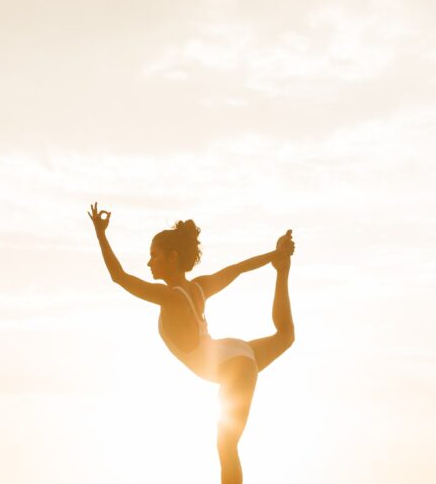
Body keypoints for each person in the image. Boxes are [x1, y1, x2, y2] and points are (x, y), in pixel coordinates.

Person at [89, 201, 296, 484]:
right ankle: (283, 271)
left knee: (226, 446)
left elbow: (119, 277)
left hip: (232, 364)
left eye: (154, 256)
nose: (149, 262)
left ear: (172, 257)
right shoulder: (199, 287)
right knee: (285, 336)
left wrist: (100, 234)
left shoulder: (171, 297)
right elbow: (237, 268)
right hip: (233, 352)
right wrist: (277, 255)